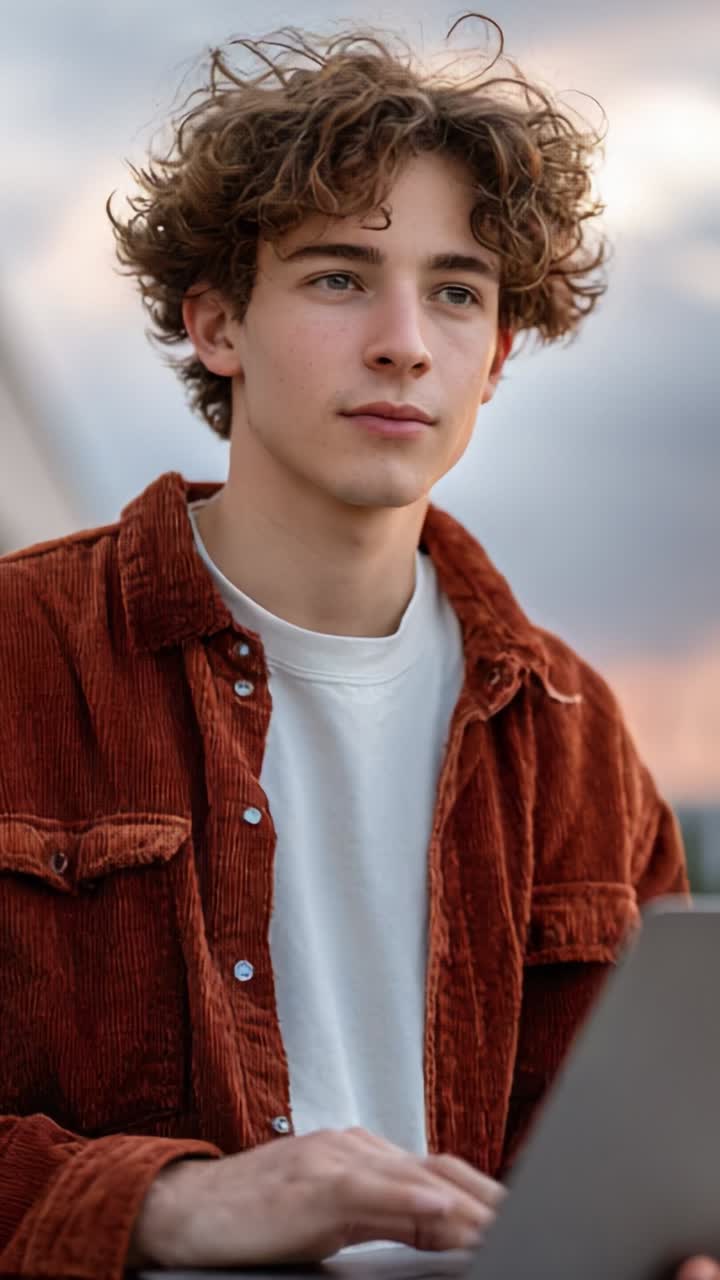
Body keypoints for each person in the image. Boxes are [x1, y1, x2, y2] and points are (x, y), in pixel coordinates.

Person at [0, 14, 714, 1280]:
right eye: (338, 275)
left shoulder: (574, 733)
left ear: (495, 355)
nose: (404, 339)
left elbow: (647, 1180)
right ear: (217, 325)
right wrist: (168, 1203)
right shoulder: (20, 656)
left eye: (455, 289)